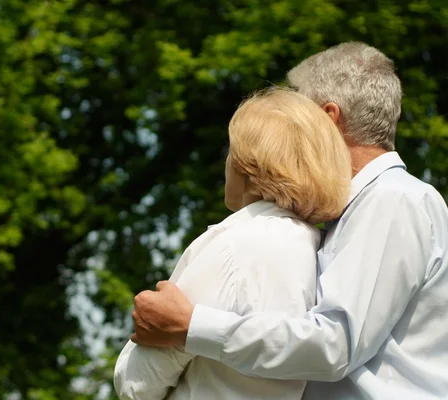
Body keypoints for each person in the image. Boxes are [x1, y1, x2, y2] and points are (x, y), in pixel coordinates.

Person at [130, 42, 448, 399]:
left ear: (328, 119)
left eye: (298, 114)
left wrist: (190, 325)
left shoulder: (392, 201)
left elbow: (334, 345)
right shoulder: (347, 212)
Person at [114, 88, 352, 399]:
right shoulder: (323, 252)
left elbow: (137, 384)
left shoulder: (231, 245)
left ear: (251, 169)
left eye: (232, 149)